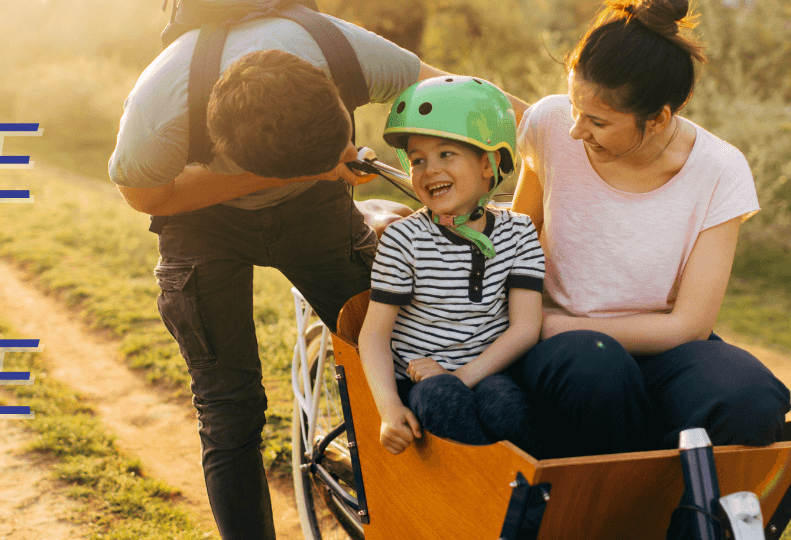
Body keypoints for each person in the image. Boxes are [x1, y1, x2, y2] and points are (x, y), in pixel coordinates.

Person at [107, 12, 511, 539]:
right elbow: (147, 197)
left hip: (312, 204)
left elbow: (471, 99)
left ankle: (419, 519)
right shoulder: (159, 112)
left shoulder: (339, 49)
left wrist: (552, 130)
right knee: (229, 408)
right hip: (198, 219)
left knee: (406, 355)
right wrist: (294, 172)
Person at [510, 0, 791, 459]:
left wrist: (560, 325)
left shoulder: (721, 170)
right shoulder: (549, 125)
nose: (577, 131)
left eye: (598, 121)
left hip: (659, 346)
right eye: (575, 108)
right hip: (566, 351)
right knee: (596, 369)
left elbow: (689, 325)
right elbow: (516, 240)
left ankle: (690, 504)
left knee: (751, 396)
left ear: (658, 118)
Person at [358, 77, 544, 458]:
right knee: (440, 395)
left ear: (489, 163)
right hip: (420, 382)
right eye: (418, 160)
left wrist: (462, 375)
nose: (429, 170)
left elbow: (526, 328)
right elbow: (374, 335)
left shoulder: (519, 232)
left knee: (506, 402)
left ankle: (536, 490)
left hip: (487, 371)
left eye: (446, 154)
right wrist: (389, 408)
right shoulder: (405, 239)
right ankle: (479, 492)